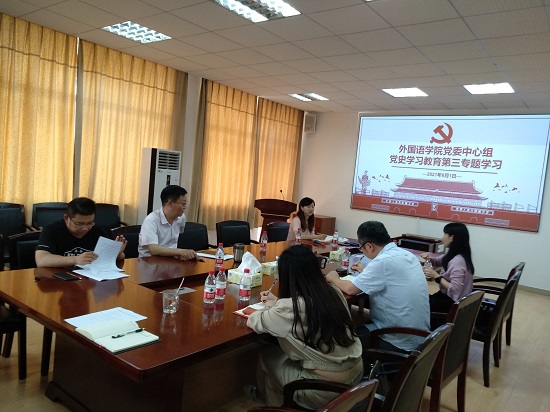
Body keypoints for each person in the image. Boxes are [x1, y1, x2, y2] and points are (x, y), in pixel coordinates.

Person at [246, 245, 363, 409]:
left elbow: (253, 321)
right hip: (357, 374)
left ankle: (270, 403)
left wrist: (275, 307)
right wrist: (277, 304)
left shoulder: (289, 308)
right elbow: (304, 311)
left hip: (327, 389)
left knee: (267, 355)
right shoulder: (334, 292)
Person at [326, 221, 430, 353]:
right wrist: (365, 272)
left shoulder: (382, 261)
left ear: (369, 246)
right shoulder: (407, 255)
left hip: (397, 339)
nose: (362, 251)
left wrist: (334, 278)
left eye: (361, 248)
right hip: (420, 335)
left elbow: (351, 289)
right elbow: (389, 279)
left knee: (342, 340)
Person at [35, 197, 126, 267]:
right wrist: (75, 259)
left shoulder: (98, 230)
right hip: (59, 279)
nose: (85, 228)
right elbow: (41, 260)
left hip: (90, 279)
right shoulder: (52, 230)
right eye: (79, 224)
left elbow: (119, 257)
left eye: (90, 223)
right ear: (67, 218)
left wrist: (116, 253)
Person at [422, 222, 474, 313]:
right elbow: (438, 261)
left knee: (420, 304)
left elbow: (455, 290)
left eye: (445, 234)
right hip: (449, 297)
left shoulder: (457, 261)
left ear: (452, 237)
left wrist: (436, 276)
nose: (442, 238)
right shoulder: (455, 254)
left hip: (454, 304)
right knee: (422, 299)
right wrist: (429, 258)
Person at [138, 185, 197, 260]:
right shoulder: (151, 220)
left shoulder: (181, 218)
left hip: (171, 260)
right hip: (149, 262)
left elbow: (180, 233)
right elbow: (153, 249)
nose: (185, 207)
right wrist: (180, 252)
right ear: (170, 203)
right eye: (183, 204)